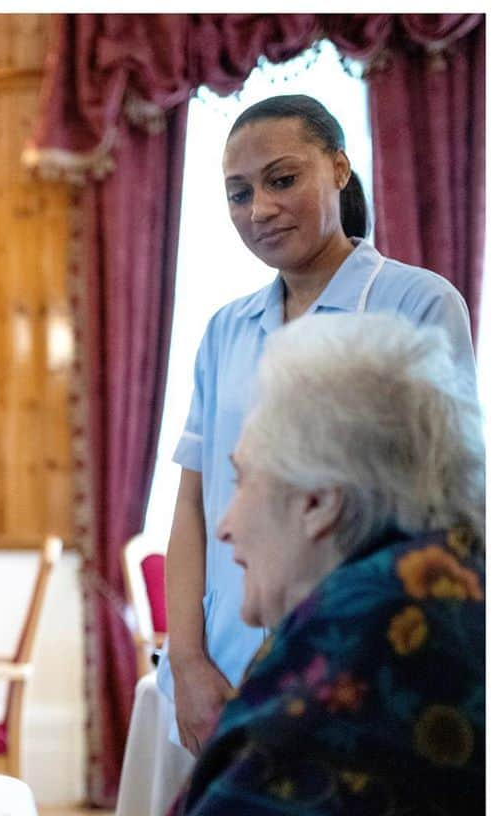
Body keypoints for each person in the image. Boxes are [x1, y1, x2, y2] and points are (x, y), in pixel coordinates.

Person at [66, 313, 484, 816]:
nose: (223, 524)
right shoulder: (433, 590)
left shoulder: (372, 645)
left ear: (318, 502)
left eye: (245, 478)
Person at [158, 94, 477, 755]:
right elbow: (193, 501)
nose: (260, 210)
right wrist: (185, 661)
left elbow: (443, 507)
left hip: (360, 655)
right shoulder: (225, 329)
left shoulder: (414, 302)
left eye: (282, 179)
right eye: (238, 194)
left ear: (338, 168)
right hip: (224, 660)